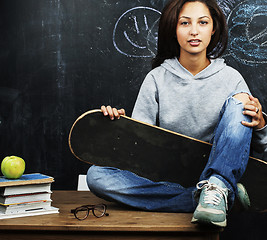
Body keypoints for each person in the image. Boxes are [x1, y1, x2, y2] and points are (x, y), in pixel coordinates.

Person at [87, 0, 267, 227]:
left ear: (213, 29)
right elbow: (138, 150)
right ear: (174, 28)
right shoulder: (156, 79)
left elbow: (258, 150)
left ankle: (218, 185)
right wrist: (119, 128)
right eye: (185, 23)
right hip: (166, 178)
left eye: (202, 22)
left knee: (240, 101)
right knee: (96, 177)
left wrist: (260, 125)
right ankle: (210, 199)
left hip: (218, 169)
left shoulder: (232, 79)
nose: (194, 31)